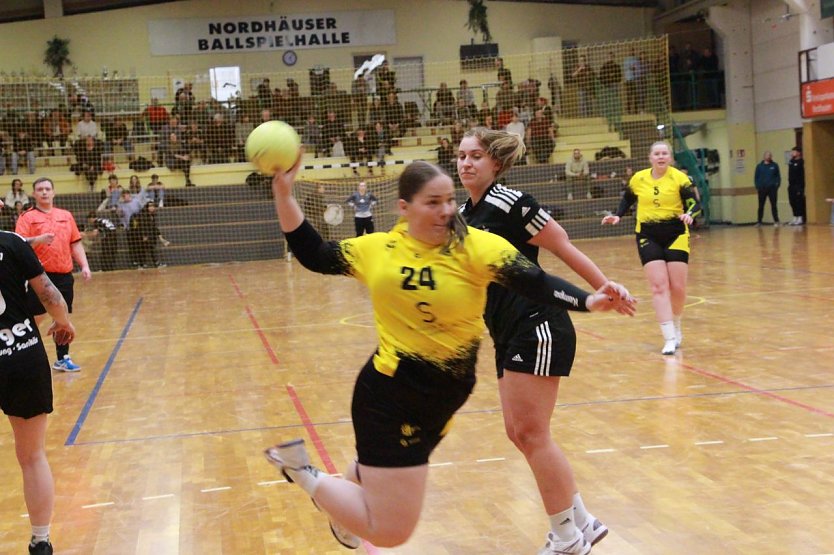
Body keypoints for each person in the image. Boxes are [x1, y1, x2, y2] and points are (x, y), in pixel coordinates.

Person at [264, 156, 635, 551]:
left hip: (441, 400)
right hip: (392, 395)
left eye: (447, 200)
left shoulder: (475, 247)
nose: (445, 211)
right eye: (432, 202)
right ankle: (304, 473)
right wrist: (285, 196)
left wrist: (589, 301)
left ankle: (349, 499)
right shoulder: (379, 250)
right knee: (391, 532)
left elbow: (536, 282)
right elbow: (314, 253)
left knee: (376, 476)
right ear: (404, 208)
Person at [457, 127, 632, 554]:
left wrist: (603, 287)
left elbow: (562, 247)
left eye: (475, 156)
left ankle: (567, 537)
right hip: (505, 330)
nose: (465, 163)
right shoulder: (463, 215)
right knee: (520, 434)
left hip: (538, 323)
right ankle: (583, 521)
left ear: (495, 163)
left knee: (532, 434)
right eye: (460, 156)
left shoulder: (513, 203)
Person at [0, 213, 76, 555]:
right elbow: (49, 294)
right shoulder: (12, 242)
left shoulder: (16, 242)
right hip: (21, 355)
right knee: (32, 457)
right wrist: (64, 324)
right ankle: (40, 540)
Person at [602, 141, 701, 355]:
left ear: (670, 158)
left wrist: (689, 214)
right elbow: (627, 199)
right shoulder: (639, 178)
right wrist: (618, 215)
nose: (661, 157)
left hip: (676, 234)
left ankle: (676, 323)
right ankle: (668, 337)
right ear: (650, 157)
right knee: (658, 287)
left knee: (678, 288)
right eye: (657, 153)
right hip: (648, 234)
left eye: (665, 153)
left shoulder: (679, 178)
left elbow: (694, 203)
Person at [15, 177, 91, 371]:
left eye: (48, 189)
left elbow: (75, 242)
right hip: (39, 277)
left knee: (62, 318)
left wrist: (84, 265)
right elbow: (19, 244)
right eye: (40, 189)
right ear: (34, 194)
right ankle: (23, 354)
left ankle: (63, 357)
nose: (44, 192)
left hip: (64, 275)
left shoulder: (65, 215)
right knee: (34, 318)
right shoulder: (27, 217)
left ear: (54, 192)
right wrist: (39, 239)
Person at [753, 150, 781, 226]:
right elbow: (756, 177)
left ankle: (776, 221)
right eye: (767, 155)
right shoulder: (759, 166)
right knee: (761, 205)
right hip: (762, 188)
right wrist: (758, 186)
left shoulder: (775, 165)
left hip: (772, 189)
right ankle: (759, 221)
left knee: (774, 205)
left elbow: (778, 177)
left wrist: (776, 185)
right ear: (764, 157)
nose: (768, 157)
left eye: (770, 155)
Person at [786, 146, 805, 226]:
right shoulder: (791, 161)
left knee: (798, 201)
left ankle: (800, 217)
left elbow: (801, 175)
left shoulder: (801, 162)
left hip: (798, 185)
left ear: (798, 153)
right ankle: (795, 216)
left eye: (794, 151)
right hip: (791, 185)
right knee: (792, 201)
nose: (792, 153)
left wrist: (800, 187)